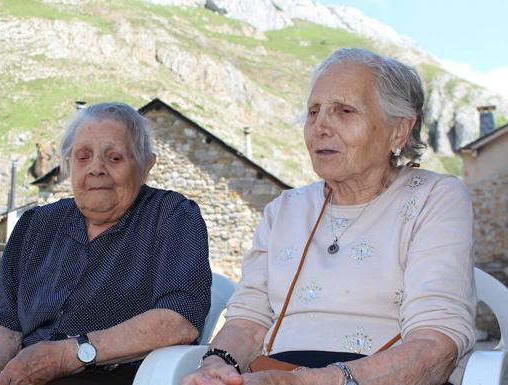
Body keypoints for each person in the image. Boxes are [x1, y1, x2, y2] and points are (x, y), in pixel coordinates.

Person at [182, 48, 475, 385]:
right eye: (313, 112)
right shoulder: (285, 209)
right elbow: (248, 322)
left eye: (344, 111)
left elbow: (435, 344)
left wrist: (314, 381)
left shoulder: (435, 197)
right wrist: (216, 366)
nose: (320, 127)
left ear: (399, 131)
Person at [0, 102, 212, 385]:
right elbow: (5, 320)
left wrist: (69, 354)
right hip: (19, 371)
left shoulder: (171, 216)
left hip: (111, 373)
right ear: (68, 164)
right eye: (83, 156)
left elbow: (180, 318)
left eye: (115, 157)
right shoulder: (36, 225)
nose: (96, 168)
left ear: (146, 165)